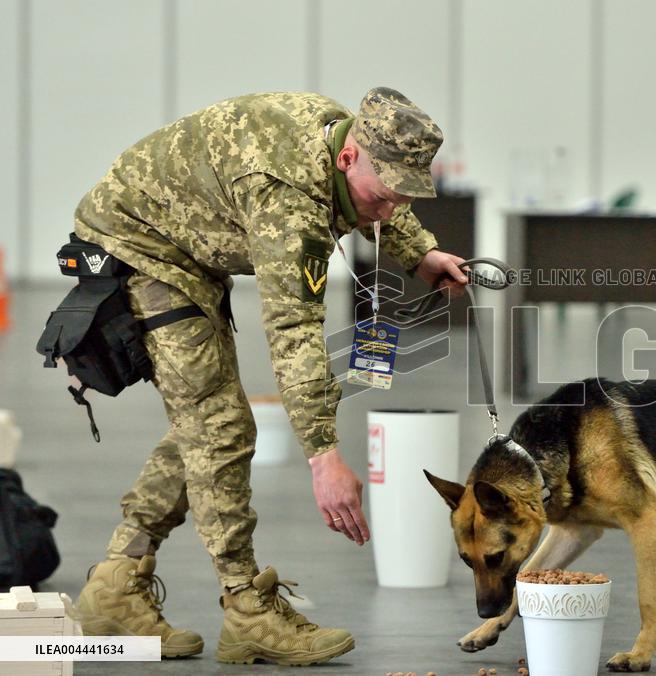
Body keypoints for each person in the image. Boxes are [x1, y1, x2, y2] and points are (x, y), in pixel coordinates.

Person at [71, 88, 469, 665]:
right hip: (139, 245)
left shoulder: (346, 137)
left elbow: (383, 203)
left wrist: (419, 253)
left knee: (207, 426)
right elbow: (295, 331)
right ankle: (245, 607)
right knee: (221, 428)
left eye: (402, 199)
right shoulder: (287, 201)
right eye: (383, 198)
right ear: (347, 159)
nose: (387, 212)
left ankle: (115, 583)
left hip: (188, 249)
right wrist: (323, 455)